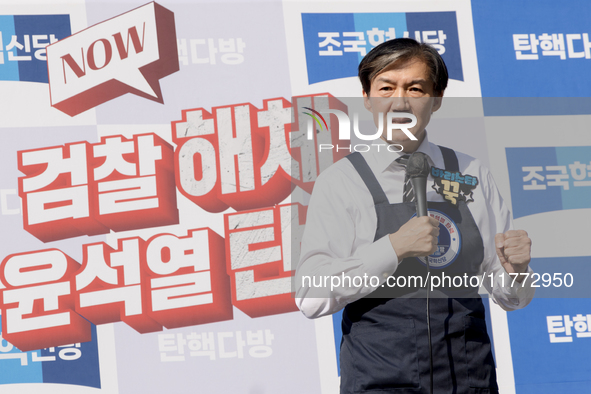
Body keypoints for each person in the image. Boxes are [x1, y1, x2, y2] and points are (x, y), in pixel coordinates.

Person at [295, 38, 534, 394]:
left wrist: (516, 273)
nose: (400, 101)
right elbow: (311, 298)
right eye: (386, 87)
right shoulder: (342, 181)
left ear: (436, 99)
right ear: (367, 97)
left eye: (415, 88)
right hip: (381, 382)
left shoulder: (469, 172)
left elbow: (511, 297)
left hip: (469, 380)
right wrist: (391, 248)